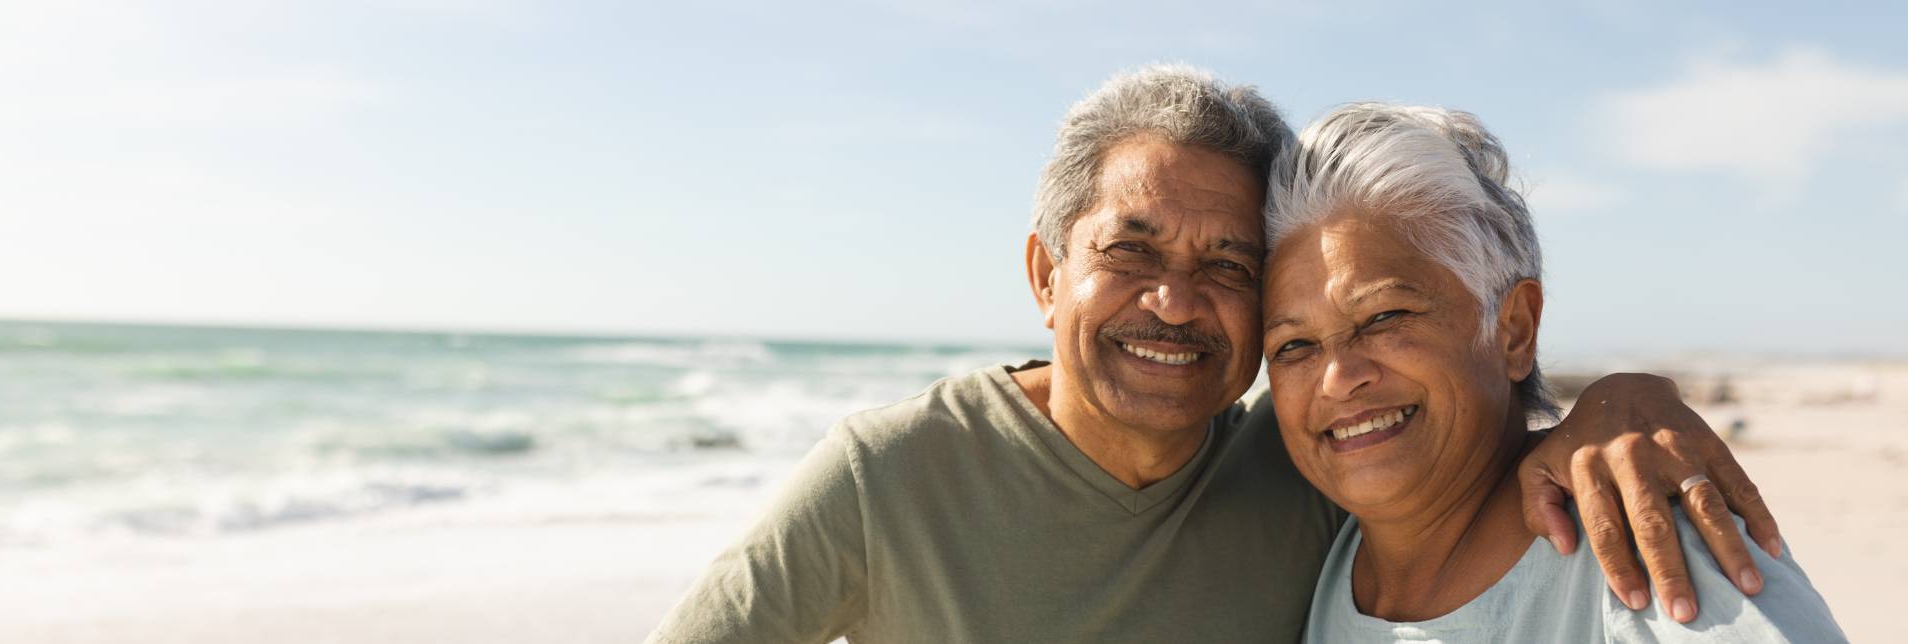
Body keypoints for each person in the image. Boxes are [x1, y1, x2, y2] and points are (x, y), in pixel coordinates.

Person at [646, 66, 1781, 643]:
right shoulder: (888, 475)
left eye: (1231, 266)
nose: (1175, 301)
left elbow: (1455, 435)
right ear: (1046, 275)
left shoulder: (1304, 465)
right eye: (1130, 250)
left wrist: (1618, 403)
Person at [1260, 102, 1845, 642]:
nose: (1338, 377)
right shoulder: (1314, 548)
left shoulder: (1645, 545)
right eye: (1294, 346)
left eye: (1385, 316)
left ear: (1514, 329)